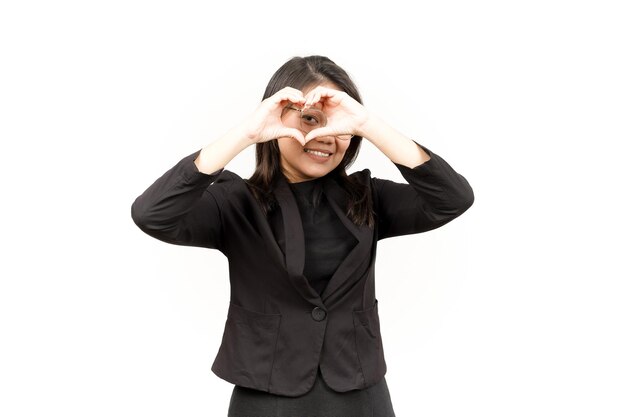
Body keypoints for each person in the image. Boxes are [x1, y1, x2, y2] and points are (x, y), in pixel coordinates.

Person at [131, 55, 474, 417]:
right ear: (275, 120)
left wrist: (369, 123)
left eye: (340, 126)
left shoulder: (370, 199)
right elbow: (152, 214)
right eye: (310, 119)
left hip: (361, 396)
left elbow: (453, 198)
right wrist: (245, 134)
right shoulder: (235, 203)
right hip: (267, 398)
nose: (326, 137)